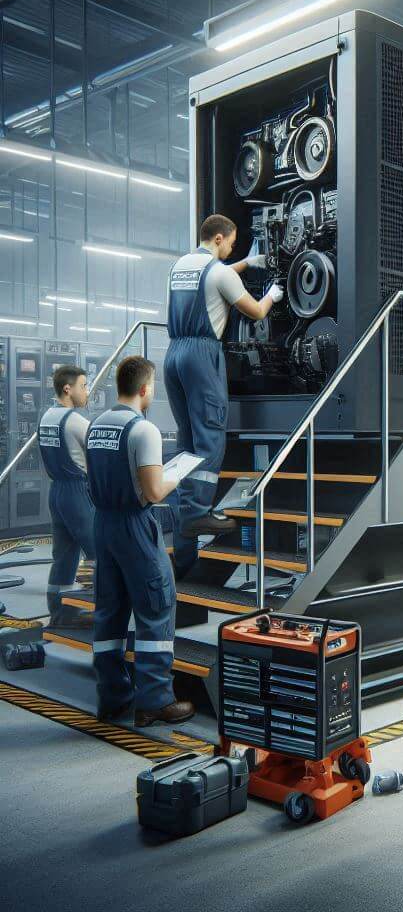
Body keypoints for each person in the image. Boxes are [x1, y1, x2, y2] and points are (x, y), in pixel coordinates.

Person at [164, 213, 283, 573]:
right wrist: (273, 296)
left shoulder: (181, 266)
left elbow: (219, 272)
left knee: (187, 440)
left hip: (174, 353)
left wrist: (249, 262)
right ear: (219, 239)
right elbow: (256, 311)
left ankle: (185, 519)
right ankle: (199, 514)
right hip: (202, 355)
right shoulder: (221, 273)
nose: (231, 248)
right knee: (211, 437)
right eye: (231, 243)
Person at [88, 356, 192, 726]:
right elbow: (153, 491)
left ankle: (112, 698)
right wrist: (176, 475)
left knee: (109, 610)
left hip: (104, 525)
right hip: (135, 525)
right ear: (146, 388)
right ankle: (155, 700)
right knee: (156, 604)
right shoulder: (143, 430)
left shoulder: (97, 424)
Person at [38, 365, 95, 625]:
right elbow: (101, 453)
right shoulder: (76, 421)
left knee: (63, 556)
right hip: (76, 493)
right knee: (99, 553)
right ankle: (102, 610)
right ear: (67, 389)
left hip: (56, 493)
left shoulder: (46, 417)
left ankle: (59, 614)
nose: (87, 391)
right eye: (83, 386)